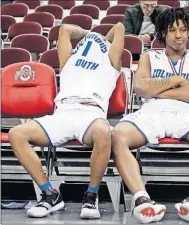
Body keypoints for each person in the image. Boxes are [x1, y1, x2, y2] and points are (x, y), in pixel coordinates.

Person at [111, 7, 189, 224]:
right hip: (152, 112)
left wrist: (156, 87)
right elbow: (140, 88)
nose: (178, 35)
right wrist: (175, 81)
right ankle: (142, 200)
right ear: (163, 33)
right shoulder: (149, 56)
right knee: (117, 135)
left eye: (183, 30)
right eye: (173, 30)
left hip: (186, 113)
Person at [8, 23, 125, 219]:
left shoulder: (111, 61)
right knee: (16, 133)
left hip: (91, 113)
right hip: (62, 112)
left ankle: (91, 195)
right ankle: (50, 194)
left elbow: (120, 27)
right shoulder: (69, 60)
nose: (91, 43)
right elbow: (65, 30)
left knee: (104, 131)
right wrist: (90, 34)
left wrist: (102, 37)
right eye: (88, 42)